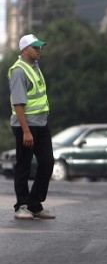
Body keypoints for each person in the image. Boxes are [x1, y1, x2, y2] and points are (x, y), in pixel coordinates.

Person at [9, 34, 56, 220]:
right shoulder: (19, 71)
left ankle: (35, 204)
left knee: (47, 163)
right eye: (36, 47)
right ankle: (21, 205)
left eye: (40, 47)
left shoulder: (35, 67)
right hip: (25, 126)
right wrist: (26, 131)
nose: (39, 50)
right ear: (25, 50)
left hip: (41, 124)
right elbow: (18, 104)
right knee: (24, 166)